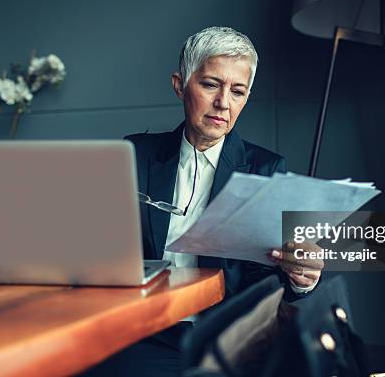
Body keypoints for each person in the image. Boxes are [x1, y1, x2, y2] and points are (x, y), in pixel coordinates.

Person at [84, 26, 323, 377]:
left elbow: (265, 275)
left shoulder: (266, 168)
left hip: (227, 337)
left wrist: (301, 278)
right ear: (180, 85)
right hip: (145, 333)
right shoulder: (135, 154)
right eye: (211, 84)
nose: (223, 103)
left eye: (237, 91)